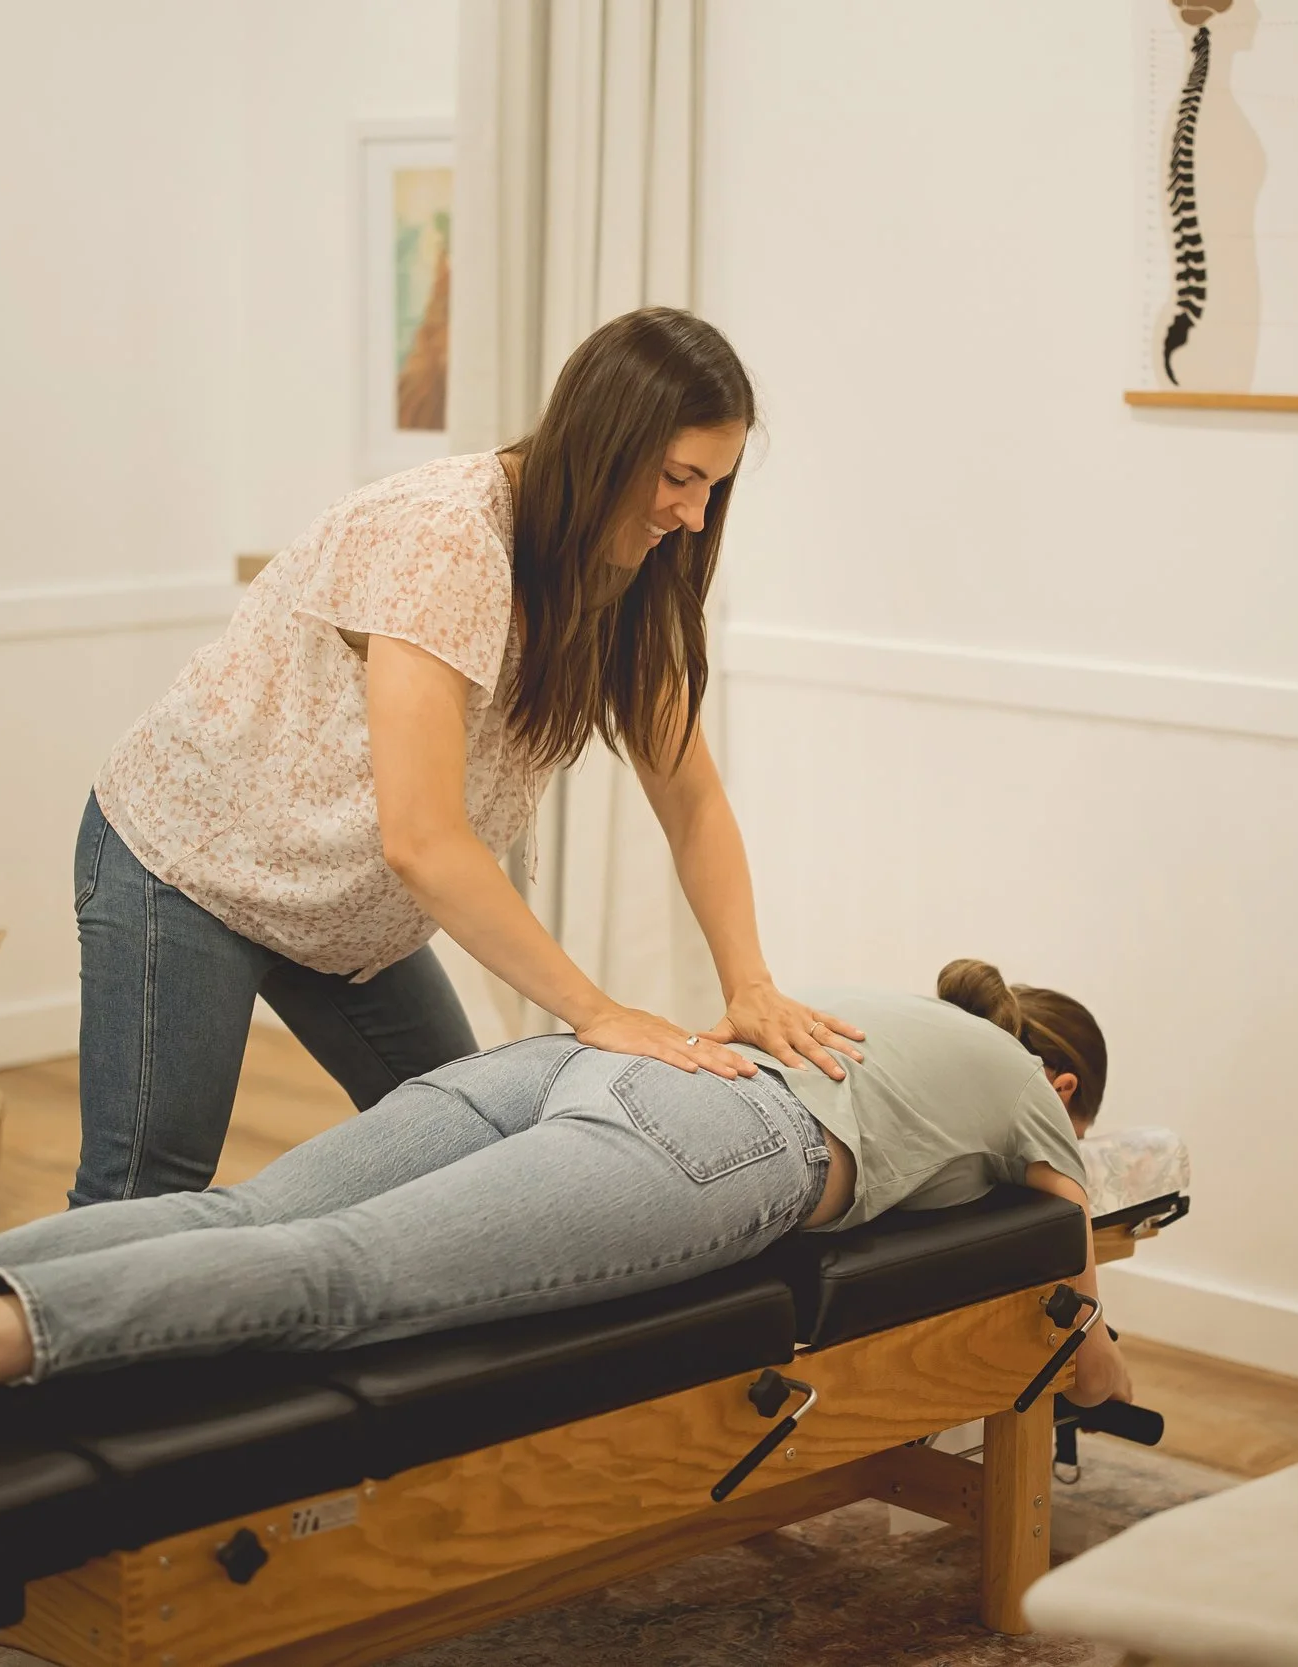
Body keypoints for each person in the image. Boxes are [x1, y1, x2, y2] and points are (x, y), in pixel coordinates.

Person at [0, 959, 1132, 1526]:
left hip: (591, 1057)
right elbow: (1063, 1285)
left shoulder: (871, 988)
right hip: (720, 1142)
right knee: (352, 1280)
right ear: (1065, 1084)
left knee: (256, 1210)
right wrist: (1105, 1382)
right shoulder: (1032, 1099)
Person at [70, 307, 864, 1205]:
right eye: (680, 478)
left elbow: (692, 801)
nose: (692, 515)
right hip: (192, 864)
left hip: (345, 910)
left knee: (474, 1153)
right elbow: (425, 837)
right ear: (603, 440)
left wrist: (750, 984)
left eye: (713, 488)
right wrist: (599, 1011)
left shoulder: (628, 576)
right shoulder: (445, 535)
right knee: (143, 1192)